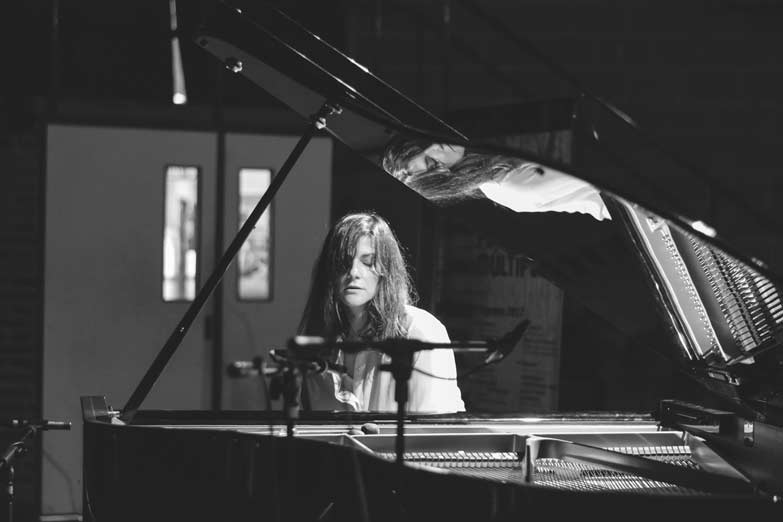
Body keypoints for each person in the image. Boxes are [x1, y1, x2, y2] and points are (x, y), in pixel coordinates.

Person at [299, 212, 465, 413]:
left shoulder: (420, 331)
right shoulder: (321, 341)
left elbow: (435, 428)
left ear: (386, 269)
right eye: (344, 261)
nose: (353, 272)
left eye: (367, 262)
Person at [381, 137, 612, 221]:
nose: (436, 146)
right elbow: (597, 172)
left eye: (423, 144)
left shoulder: (487, 157)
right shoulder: (509, 185)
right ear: (442, 178)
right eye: (432, 162)